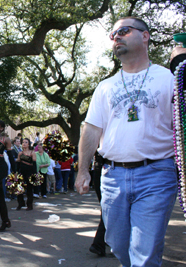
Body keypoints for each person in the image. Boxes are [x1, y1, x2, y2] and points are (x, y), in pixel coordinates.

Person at [75, 17, 177, 267]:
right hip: (112, 177)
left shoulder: (169, 79)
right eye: (112, 35)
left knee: (144, 253)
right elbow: (91, 131)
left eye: (123, 31)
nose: (116, 37)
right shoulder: (105, 87)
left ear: (145, 36)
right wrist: (83, 170)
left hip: (157, 174)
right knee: (119, 246)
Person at [16, 138, 37, 210]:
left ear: (28, 144)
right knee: (19, 189)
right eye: (23, 142)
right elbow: (18, 164)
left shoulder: (32, 153)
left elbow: (34, 165)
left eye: (26, 142)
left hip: (29, 173)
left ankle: (29, 204)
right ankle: (20, 203)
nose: (24, 143)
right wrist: (16, 173)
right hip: (21, 172)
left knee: (29, 189)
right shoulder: (20, 153)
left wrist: (35, 175)